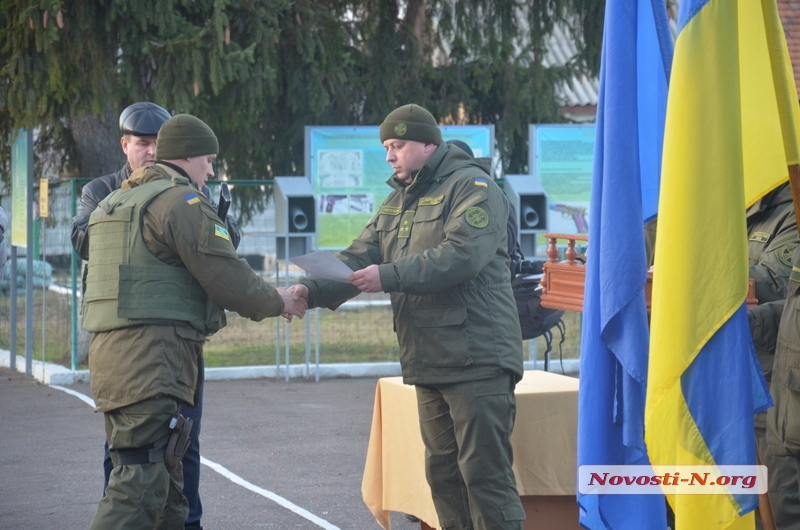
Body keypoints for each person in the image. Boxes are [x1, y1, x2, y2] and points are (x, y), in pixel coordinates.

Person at [290, 104, 525, 529]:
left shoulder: (474, 186)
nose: (389, 156)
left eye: (397, 145)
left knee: (485, 478)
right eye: (386, 147)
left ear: (428, 144)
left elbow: (462, 256)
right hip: (429, 357)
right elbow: (358, 258)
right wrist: (310, 290)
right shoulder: (398, 200)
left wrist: (389, 275)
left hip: (477, 357)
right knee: (444, 477)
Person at [83, 113, 306, 529]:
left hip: (116, 358)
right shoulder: (180, 203)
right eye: (208, 159)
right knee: (140, 483)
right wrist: (280, 301)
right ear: (187, 156)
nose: (211, 170)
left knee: (167, 484)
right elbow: (228, 277)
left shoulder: (116, 202)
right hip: (153, 362)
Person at [71, 102, 240, 530]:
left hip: (180, 334)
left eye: (157, 144)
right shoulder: (102, 190)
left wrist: (207, 213)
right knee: (129, 454)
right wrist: (130, 212)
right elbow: (81, 240)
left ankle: (187, 523)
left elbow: (225, 245)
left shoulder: (189, 191)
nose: (149, 152)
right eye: (141, 143)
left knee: (184, 442)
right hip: (130, 337)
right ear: (124, 144)